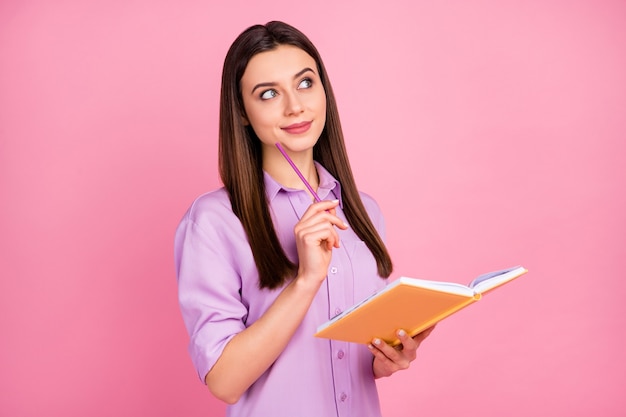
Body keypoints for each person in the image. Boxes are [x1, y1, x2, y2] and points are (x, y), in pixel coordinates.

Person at [174, 21, 434, 417]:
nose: (294, 106)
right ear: (242, 112)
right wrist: (306, 280)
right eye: (268, 93)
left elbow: (342, 357)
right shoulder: (214, 222)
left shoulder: (364, 211)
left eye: (305, 83)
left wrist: (384, 359)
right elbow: (224, 382)